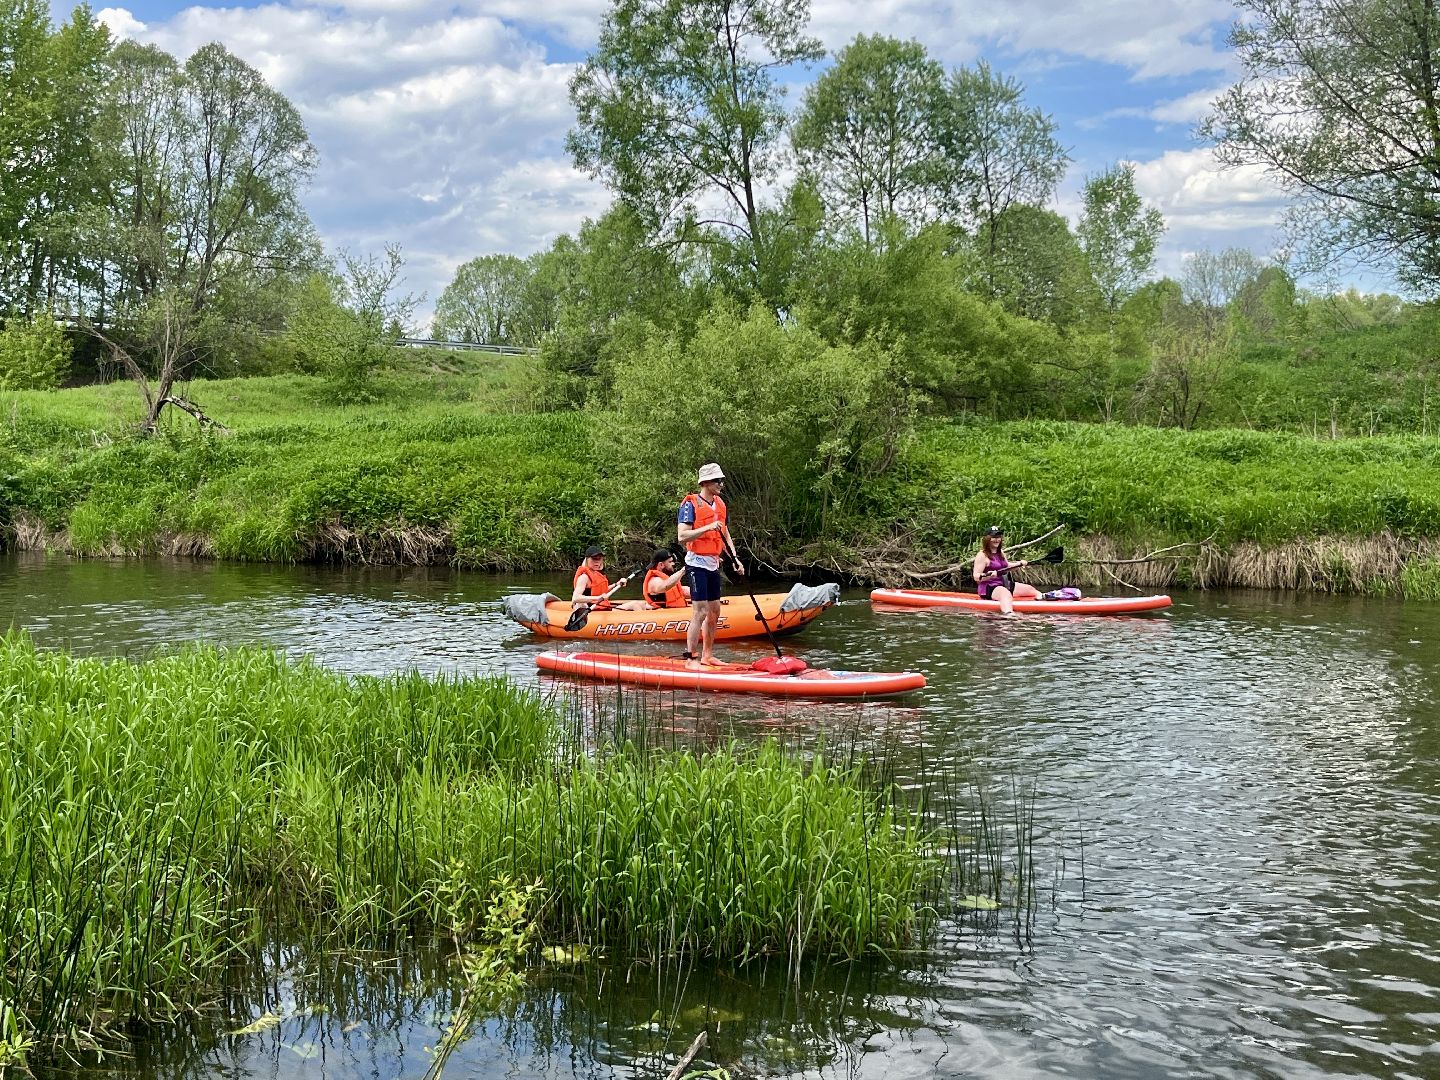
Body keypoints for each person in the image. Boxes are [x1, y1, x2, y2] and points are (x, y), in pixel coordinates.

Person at [677, 463, 743, 666]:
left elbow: (725, 532)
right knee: (701, 611)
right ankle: (690, 657)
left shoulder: (720, 504)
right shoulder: (690, 505)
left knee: (715, 611)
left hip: (713, 562)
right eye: (717, 481)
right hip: (696, 563)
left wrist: (734, 558)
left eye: (721, 480)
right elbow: (682, 536)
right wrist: (707, 527)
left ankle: (707, 655)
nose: (721, 484)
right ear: (705, 482)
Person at [973, 525, 1040, 615]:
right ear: (987, 539)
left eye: (998, 537)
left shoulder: (1000, 552)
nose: (997, 539)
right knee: (1005, 594)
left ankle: (1043, 599)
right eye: (993, 537)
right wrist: (989, 575)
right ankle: (1008, 614)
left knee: (1030, 589)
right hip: (989, 587)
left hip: (1003, 584)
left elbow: (1006, 566)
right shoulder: (982, 555)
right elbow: (976, 576)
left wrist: (1019, 563)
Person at [570, 545, 647, 614]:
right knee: (635, 605)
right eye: (594, 558)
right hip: (594, 612)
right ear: (587, 559)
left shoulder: (596, 574)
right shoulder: (584, 577)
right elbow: (575, 598)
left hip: (602, 609)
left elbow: (602, 591)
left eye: (599, 558)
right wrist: (597, 598)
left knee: (641, 604)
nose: (597, 561)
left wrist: (617, 584)